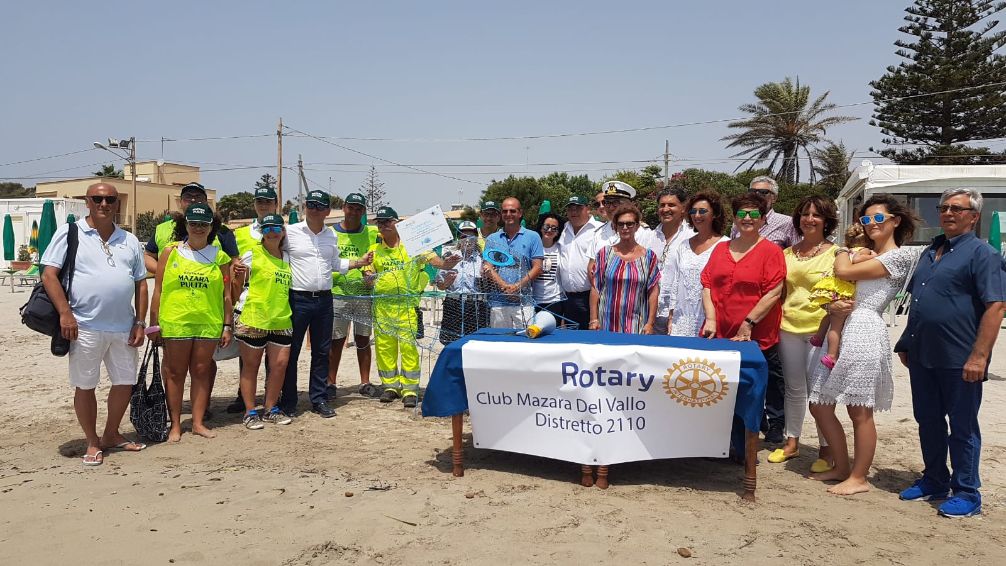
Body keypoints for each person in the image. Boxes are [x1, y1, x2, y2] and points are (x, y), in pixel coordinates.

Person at [895, 188, 1006, 518]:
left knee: (962, 426)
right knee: (927, 420)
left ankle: (967, 491)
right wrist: (906, 342)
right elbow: (919, 303)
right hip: (923, 355)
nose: (948, 213)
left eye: (957, 209)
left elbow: (996, 306)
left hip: (960, 358)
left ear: (974, 216)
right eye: (944, 208)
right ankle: (934, 479)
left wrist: (980, 356)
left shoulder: (982, 254)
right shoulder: (931, 251)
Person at [808, 194, 918, 496]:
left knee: (859, 410)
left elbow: (842, 271)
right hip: (841, 327)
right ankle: (842, 467)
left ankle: (859, 477)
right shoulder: (866, 253)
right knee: (819, 404)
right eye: (866, 220)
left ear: (895, 221)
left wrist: (843, 250)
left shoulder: (898, 257)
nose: (871, 225)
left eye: (878, 218)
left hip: (865, 329)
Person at [40, 182, 148, 465]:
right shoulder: (70, 232)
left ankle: (111, 434)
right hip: (83, 325)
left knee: (125, 382)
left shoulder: (130, 240)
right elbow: (49, 275)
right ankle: (91, 441)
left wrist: (140, 321)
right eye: (98, 199)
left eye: (110, 199)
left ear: (116, 203)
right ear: (87, 201)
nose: (104, 204)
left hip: (123, 327)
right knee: (85, 385)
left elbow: (141, 284)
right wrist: (65, 313)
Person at [701, 193, 786, 447]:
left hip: (757, 332)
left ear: (762, 219)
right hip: (721, 330)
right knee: (723, 385)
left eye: (753, 213)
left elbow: (774, 291)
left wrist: (749, 323)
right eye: (741, 213)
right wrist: (711, 319)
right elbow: (707, 284)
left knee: (762, 383)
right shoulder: (720, 248)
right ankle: (726, 436)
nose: (747, 218)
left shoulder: (771, 251)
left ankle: (770, 428)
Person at [281, 190, 373, 419]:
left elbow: (334, 263)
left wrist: (359, 263)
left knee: (322, 352)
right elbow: (272, 255)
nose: (314, 208)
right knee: (291, 353)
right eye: (310, 204)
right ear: (305, 207)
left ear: (326, 211)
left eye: (319, 205)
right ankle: (289, 400)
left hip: (324, 300)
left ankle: (319, 398)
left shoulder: (330, 236)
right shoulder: (290, 233)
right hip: (298, 299)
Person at [148, 203, 233, 442]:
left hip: (208, 322)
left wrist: (227, 326)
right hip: (176, 322)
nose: (198, 228)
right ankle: (175, 424)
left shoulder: (220, 257)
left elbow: (226, 295)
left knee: (201, 371)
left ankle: (197, 422)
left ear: (211, 227)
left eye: (203, 224)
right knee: (175, 373)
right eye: (193, 223)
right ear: (185, 224)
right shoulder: (169, 252)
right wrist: (153, 324)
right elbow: (158, 291)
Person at [771, 196, 839, 467]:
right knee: (794, 388)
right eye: (805, 214)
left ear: (826, 220)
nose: (809, 219)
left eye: (816, 215)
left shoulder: (837, 254)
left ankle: (826, 450)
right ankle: (792, 442)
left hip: (819, 331)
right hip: (788, 327)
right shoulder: (786, 254)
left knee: (819, 392)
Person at [231, 214, 293, 430]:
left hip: (280, 318)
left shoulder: (287, 257)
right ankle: (250, 411)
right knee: (251, 366)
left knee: (279, 365)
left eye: (277, 227)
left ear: (283, 231)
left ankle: (270, 408)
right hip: (253, 317)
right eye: (267, 229)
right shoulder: (252, 253)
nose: (273, 232)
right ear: (262, 233)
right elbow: (236, 284)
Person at [364, 206, 430, 408]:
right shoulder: (374, 250)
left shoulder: (412, 247)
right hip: (382, 308)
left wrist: (447, 264)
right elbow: (368, 276)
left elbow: (434, 260)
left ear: (396, 222)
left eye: (387, 222)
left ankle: (410, 389)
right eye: (380, 222)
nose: (383, 226)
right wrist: (368, 278)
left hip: (406, 308)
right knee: (385, 348)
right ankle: (390, 387)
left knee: (408, 348)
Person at [225, 185, 279, 414]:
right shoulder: (241, 234)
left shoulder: (283, 230)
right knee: (248, 354)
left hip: (275, 301)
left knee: (273, 355)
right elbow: (231, 262)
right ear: (254, 204)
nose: (264, 205)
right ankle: (243, 396)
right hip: (249, 301)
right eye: (260, 201)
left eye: (268, 201)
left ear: (276, 204)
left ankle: (271, 397)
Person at [327, 192, 381, 400]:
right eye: (351, 207)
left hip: (364, 295)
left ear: (364, 211)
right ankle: (330, 383)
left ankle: (365, 382)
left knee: (363, 339)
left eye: (359, 208)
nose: (355, 212)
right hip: (338, 294)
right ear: (344, 207)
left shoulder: (371, 233)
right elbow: (326, 264)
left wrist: (370, 273)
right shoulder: (331, 233)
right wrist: (351, 267)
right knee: (336, 341)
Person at [664, 190, 728, 337]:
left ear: (715, 214)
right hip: (681, 319)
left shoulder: (725, 245)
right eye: (693, 211)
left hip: (710, 319)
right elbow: (676, 282)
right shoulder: (683, 245)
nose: (697, 215)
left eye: (703, 211)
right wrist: (671, 314)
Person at [589, 203, 661, 334]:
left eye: (630, 224)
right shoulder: (604, 254)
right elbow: (595, 288)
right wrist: (593, 319)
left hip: (637, 324)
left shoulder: (649, 257)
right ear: (615, 226)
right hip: (606, 323)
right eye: (621, 224)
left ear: (637, 226)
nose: (625, 228)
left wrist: (650, 323)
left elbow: (653, 292)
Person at [809, 223, 869, 369]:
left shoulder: (844, 251)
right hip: (844, 290)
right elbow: (857, 260)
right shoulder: (864, 250)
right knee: (836, 327)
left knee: (830, 314)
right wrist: (876, 256)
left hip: (833, 287)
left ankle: (818, 336)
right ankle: (831, 355)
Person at [144, 182, 239, 273]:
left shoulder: (221, 231)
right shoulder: (162, 229)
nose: (193, 200)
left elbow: (233, 262)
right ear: (180, 202)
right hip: (170, 288)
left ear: (206, 202)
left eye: (198, 197)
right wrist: (164, 273)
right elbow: (148, 256)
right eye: (188, 197)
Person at [483, 197, 544, 329]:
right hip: (498, 302)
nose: (508, 214)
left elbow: (538, 267)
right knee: (499, 344)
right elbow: (488, 267)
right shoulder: (492, 239)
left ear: (520, 213)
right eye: (505, 211)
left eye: (512, 211)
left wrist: (516, 287)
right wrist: (506, 287)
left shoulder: (533, 236)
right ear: (501, 214)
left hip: (524, 302)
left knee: (526, 343)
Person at [649, 187, 696, 334]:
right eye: (662, 205)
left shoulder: (692, 236)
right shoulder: (649, 237)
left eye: (671, 205)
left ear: (683, 208)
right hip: (651, 312)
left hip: (680, 313)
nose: (666, 209)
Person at [435, 221, 489, 344]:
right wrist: (446, 283)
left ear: (476, 238)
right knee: (450, 342)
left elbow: (487, 287)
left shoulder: (482, 260)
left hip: (475, 306)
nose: (468, 240)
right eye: (464, 236)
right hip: (453, 304)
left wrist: (486, 277)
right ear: (459, 239)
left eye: (471, 236)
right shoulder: (449, 259)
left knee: (475, 343)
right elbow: (440, 285)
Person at [557, 195, 603, 329]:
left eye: (578, 208)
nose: (573, 212)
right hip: (568, 298)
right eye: (570, 209)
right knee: (571, 340)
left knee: (591, 340)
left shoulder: (599, 229)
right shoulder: (564, 229)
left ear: (587, 209)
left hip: (590, 296)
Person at [730, 176, 799, 248]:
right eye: (752, 191)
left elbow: (796, 252)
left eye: (763, 192)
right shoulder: (739, 221)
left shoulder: (787, 223)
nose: (756, 195)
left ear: (774, 198)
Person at [534, 213, 565, 317]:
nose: (549, 230)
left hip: (555, 301)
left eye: (554, 228)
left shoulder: (561, 249)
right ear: (541, 228)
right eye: (546, 226)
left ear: (558, 232)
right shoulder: (533, 247)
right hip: (533, 300)